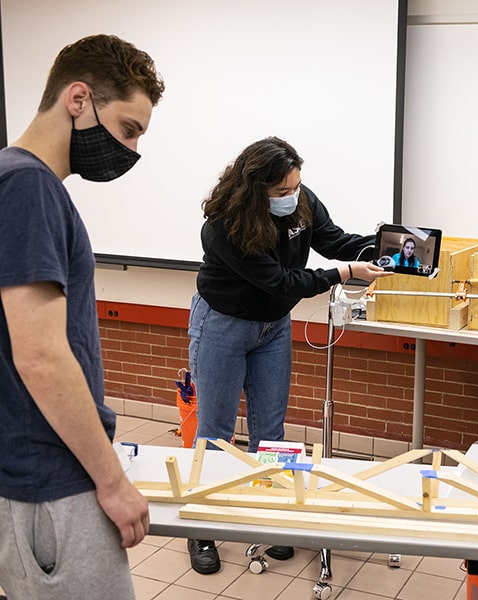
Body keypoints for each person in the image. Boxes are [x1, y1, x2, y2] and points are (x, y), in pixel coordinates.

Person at [0, 34, 165, 599]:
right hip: (53, 485)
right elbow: (42, 357)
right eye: (128, 128)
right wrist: (113, 483)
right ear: (78, 99)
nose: (132, 149)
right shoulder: (28, 187)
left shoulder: (16, 180)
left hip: (39, 477)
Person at [187, 136, 390, 574]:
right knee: (216, 431)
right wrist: (347, 273)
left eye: (296, 186)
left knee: (271, 433)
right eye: (280, 192)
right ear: (253, 189)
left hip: (273, 327)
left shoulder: (301, 200)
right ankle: (201, 529)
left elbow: (334, 239)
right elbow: (282, 282)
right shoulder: (223, 226)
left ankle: (268, 521)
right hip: (222, 324)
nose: (291, 197)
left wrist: (382, 248)